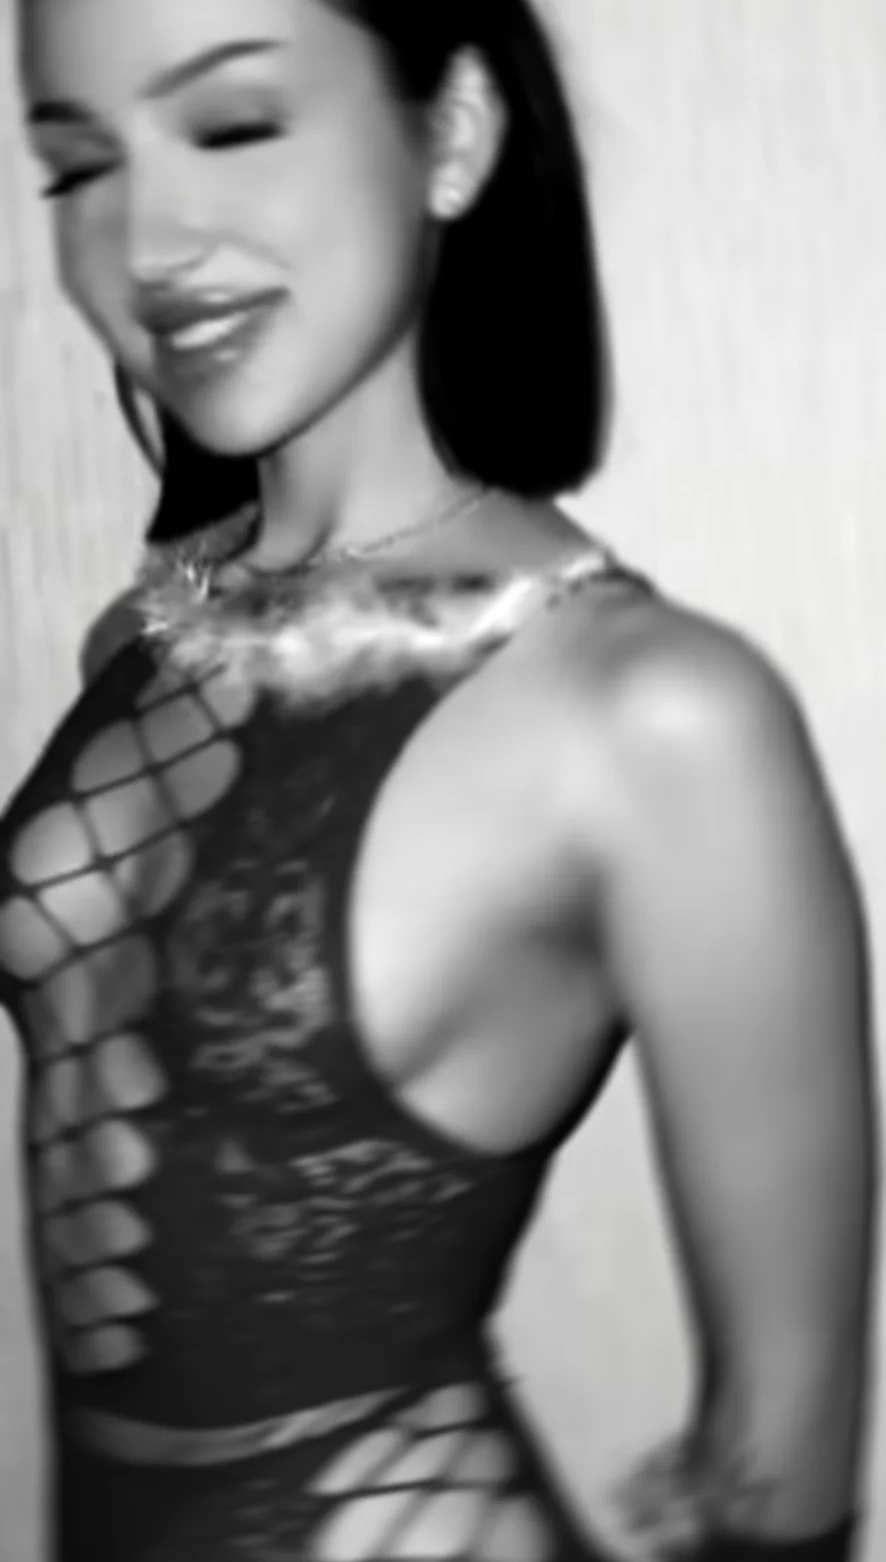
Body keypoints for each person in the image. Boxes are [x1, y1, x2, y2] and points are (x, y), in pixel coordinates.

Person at [2, 0, 876, 1558]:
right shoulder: (145, 638)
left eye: (233, 123)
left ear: (453, 133)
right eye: (77, 165)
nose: (144, 242)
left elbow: (782, 1457)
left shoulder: (653, 716)